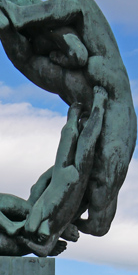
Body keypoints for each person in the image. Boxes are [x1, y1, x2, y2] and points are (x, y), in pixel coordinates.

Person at [0, 0, 137, 237]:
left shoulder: (79, 184)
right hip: (95, 101)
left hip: (93, 99)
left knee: (81, 8)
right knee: (35, 55)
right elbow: (97, 226)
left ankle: (15, 24)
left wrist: (64, 225)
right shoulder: (72, 184)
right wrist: (64, 225)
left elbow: (97, 225)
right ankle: (11, 26)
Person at [21, 87, 107, 257]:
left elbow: (32, 229)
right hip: (78, 177)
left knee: (69, 135)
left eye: (40, 236)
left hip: (62, 173)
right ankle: (99, 103)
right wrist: (37, 242)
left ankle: (74, 115)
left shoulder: (37, 213)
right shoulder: (57, 228)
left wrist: (25, 240)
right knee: (87, 139)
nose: (75, 235)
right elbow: (43, 251)